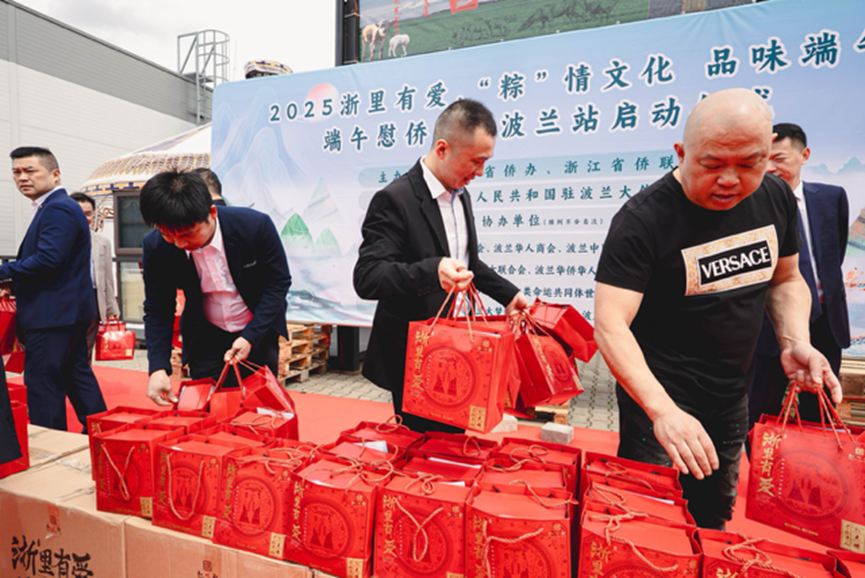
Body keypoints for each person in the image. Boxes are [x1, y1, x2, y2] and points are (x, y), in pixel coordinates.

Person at [593, 89, 842, 529]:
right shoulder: (643, 219)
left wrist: (794, 341)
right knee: (649, 526)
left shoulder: (775, 198)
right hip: (659, 399)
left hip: (731, 396)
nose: (730, 179)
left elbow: (785, 279)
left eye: (748, 164)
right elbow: (611, 325)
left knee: (712, 520)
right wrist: (662, 411)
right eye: (711, 165)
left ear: (767, 153)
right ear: (681, 153)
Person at [354, 98, 528, 433]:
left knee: (454, 446)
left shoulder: (461, 194)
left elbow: (468, 263)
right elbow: (368, 277)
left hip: (457, 350)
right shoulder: (395, 199)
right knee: (420, 452)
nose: (480, 172)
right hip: (415, 357)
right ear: (443, 148)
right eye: (476, 161)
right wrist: (431, 272)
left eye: (485, 162)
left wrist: (509, 295)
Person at [140, 169, 291, 406]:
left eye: (188, 234)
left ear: (212, 213)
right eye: (169, 235)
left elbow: (278, 283)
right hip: (205, 336)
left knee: (261, 408)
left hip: (256, 330)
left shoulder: (254, 226)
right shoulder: (157, 246)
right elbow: (158, 307)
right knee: (210, 408)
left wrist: (250, 336)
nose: (180, 244)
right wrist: (158, 368)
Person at [748, 123, 850, 431]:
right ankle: (759, 462)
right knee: (759, 411)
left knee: (819, 411)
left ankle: (812, 462)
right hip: (771, 327)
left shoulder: (831, 198)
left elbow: (833, 255)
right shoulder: (750, 204)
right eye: (764, 159)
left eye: (778, 158)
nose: (770, 167)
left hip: (825, 322)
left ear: (804, 155)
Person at [0, 146, 106, 431]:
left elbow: (49, 260)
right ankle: (101, 434)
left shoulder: (57, 208)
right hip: (66, 312)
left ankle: (51, 441)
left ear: (55, 174)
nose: (22, 177)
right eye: (16, 172)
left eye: (30, 170)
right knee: (76, 374)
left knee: (44, 383)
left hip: (52, 315)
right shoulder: (56, 207)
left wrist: (4, 273)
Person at [69, 192, 121, 361]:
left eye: (89, 213)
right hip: (66, 301)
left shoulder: (102, 242)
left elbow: (107, 279)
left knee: (86, 347)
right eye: (80, 213)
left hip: (92, 300)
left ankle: (83, 375)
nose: (85, 218)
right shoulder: (58, 240)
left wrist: (111, 309)